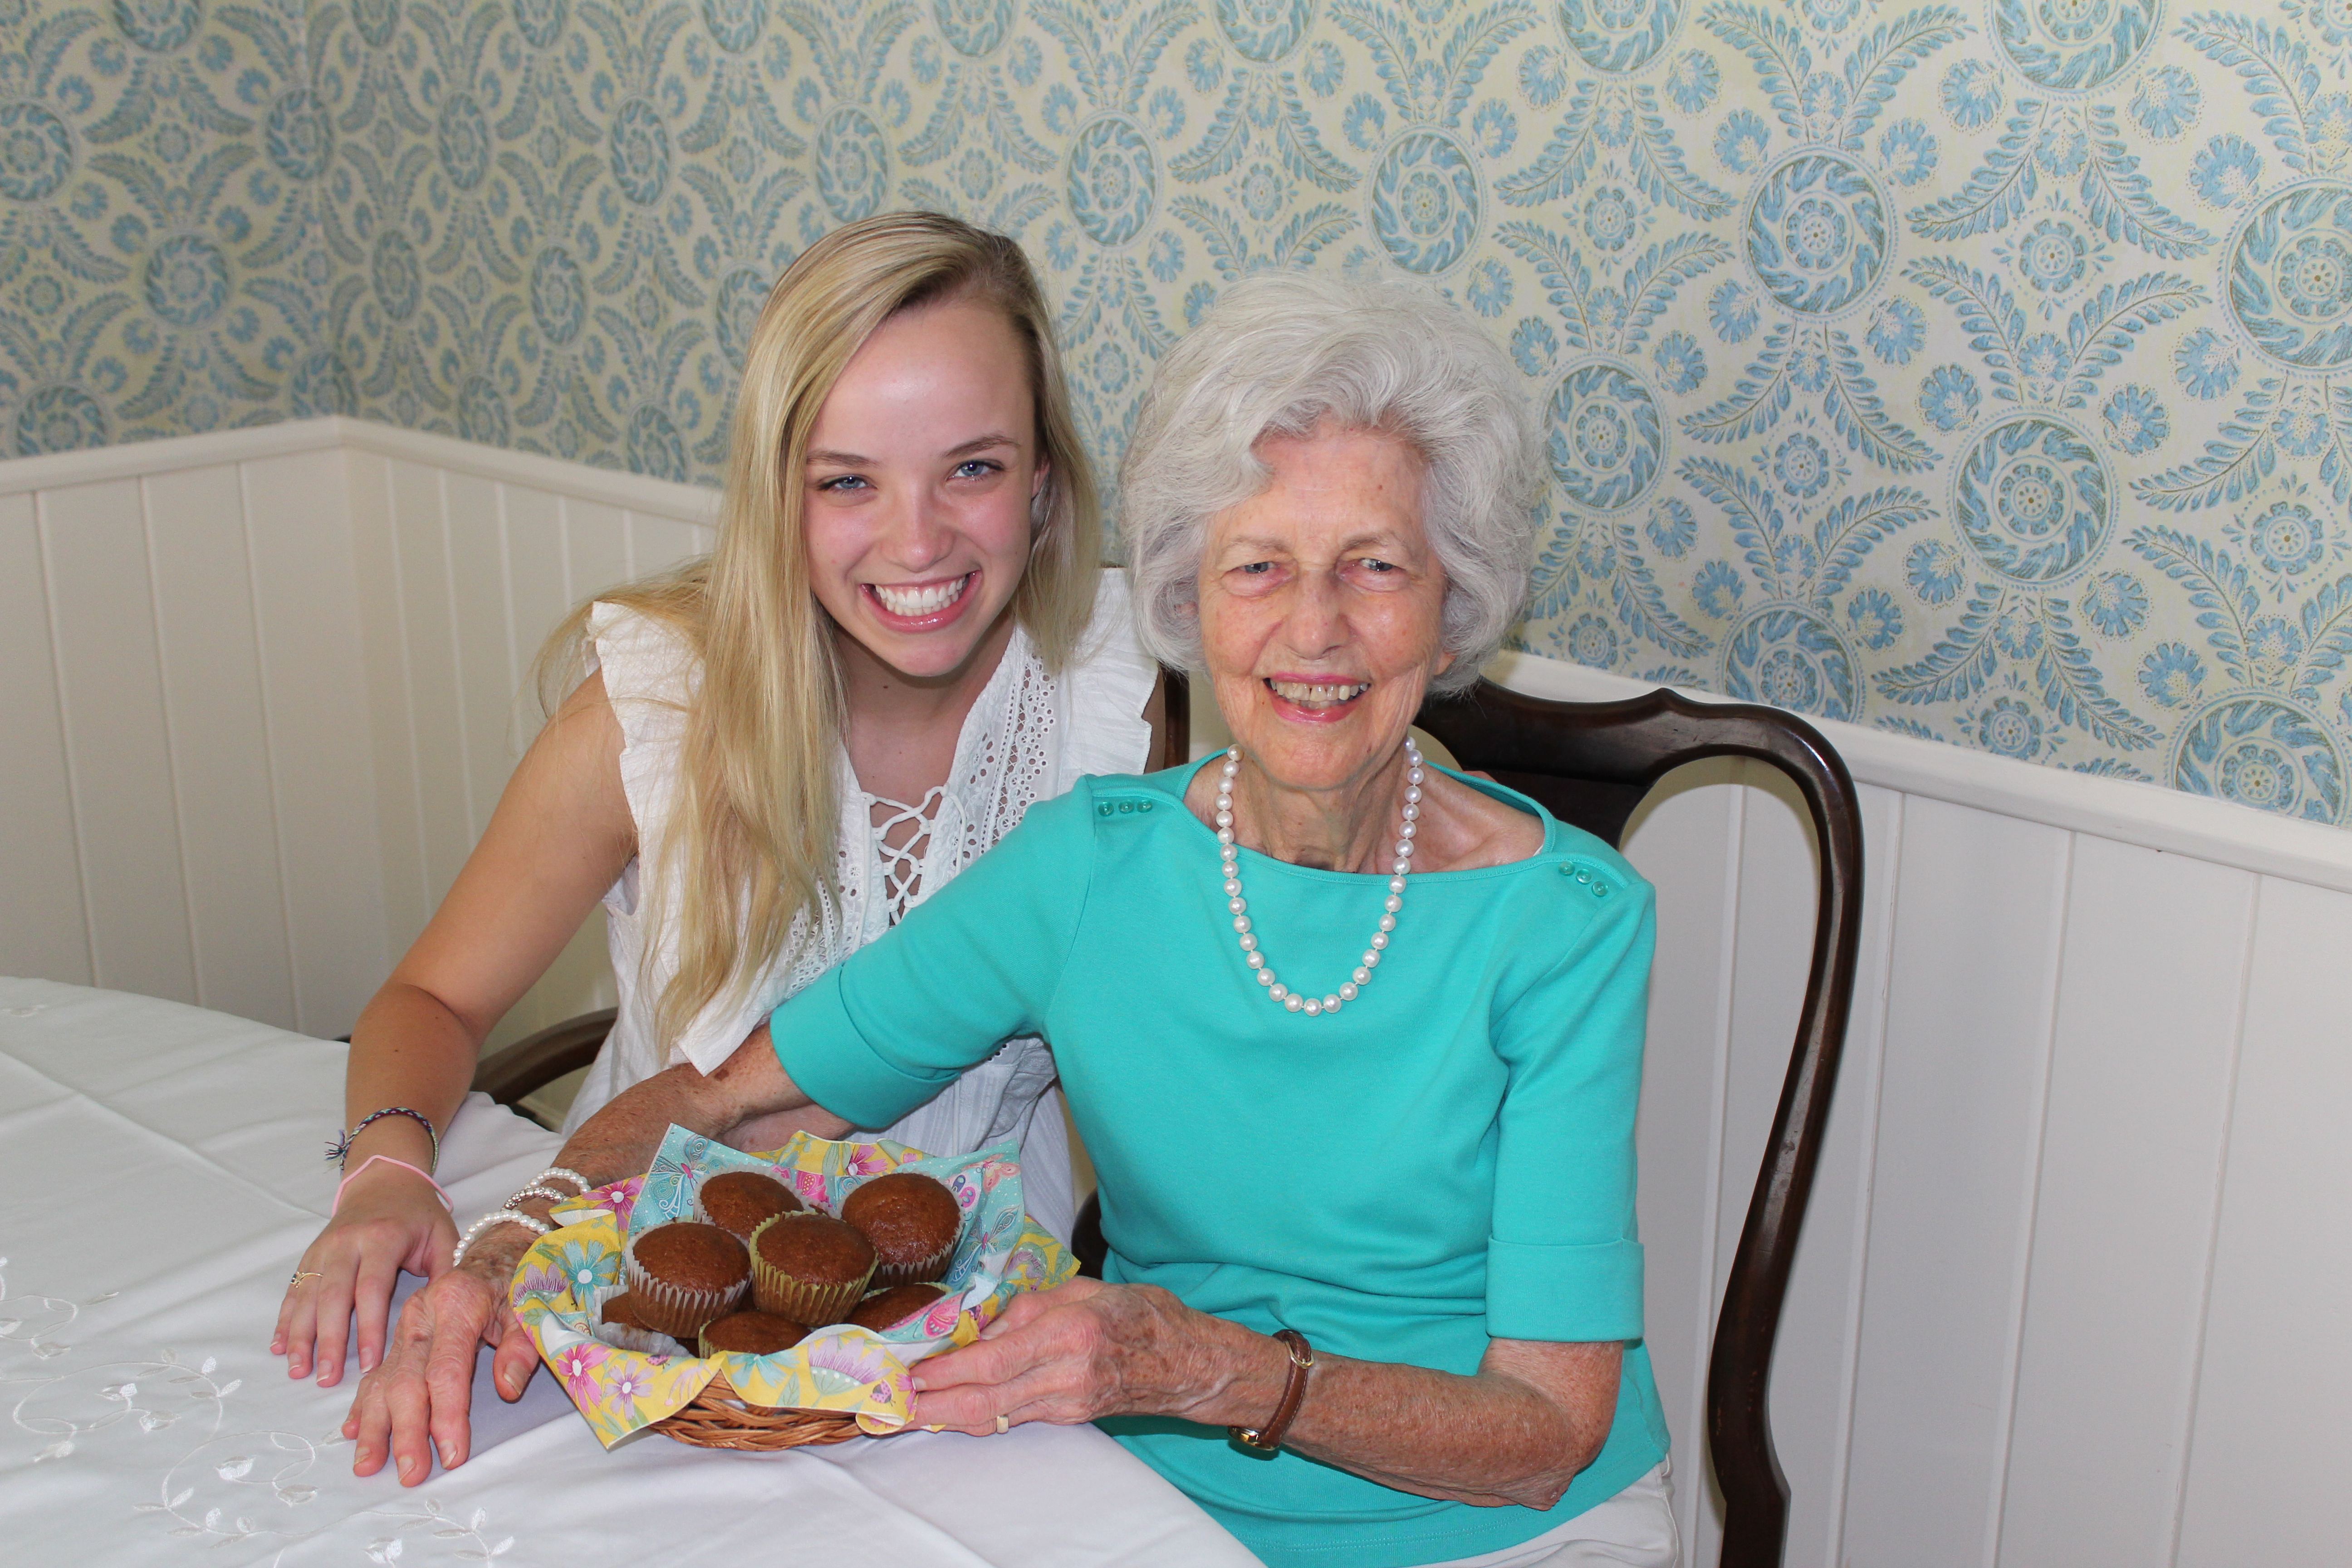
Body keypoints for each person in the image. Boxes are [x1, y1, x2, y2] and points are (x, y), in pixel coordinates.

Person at [358, 273, 1675, 1568]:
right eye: (1258, 566)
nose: (1313, 630)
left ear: (1452, 609)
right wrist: (512, 1248)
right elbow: (735, 1108)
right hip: (1152, 1497)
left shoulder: (1567, 925)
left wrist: (1225, 1376)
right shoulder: (1092, 865)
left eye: (1375, 566)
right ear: (1191, 600)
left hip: (1502, 1527)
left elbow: (1549, 1432)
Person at [275, 212, 1161, 1398]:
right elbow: (435, 994)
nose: (918, 539)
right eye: (848, 481)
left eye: (974, 468)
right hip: (627, 1299)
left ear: (1043, 478)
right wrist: (386, 1173)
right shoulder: (662, 702)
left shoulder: (1128, 707)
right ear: (776, 499)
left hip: (984, 1342)